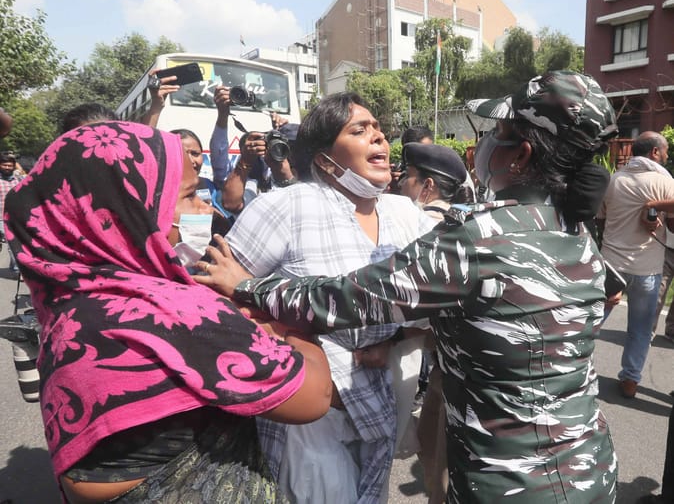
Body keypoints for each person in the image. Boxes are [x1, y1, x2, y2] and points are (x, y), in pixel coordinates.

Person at [199, 71, 620, 503]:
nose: (379, 138)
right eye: (360, 130)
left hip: (517, 483)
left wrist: (250, 287)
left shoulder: (478, 240)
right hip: (589, 467)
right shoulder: (574, 230)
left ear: (520, 156)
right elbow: (606, 294)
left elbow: (349, 298)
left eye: (498, 132)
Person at [4, 121, 331, 503]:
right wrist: (282, 324)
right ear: (126, 213)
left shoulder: (69, 309)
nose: (205, 209)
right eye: (190, 197)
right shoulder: (172, 313)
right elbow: (314, 395)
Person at [218, 92, 436, 504]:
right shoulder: (286, 206)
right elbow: (219, 292)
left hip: (380, 403)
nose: (379, 138)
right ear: (325, 160)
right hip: (308, 420)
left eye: (378, 129)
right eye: (359, 130)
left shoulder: (405, 214)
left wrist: (395, 339)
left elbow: (443, 295)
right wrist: (292, 343)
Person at [397, 142, 474, 503]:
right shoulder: (464, 223)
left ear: (427, 186)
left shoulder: (422, 228)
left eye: (407, 177)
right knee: (434, 454)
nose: (401, 183)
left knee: (439, 468)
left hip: (443, 362)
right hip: (450, 363)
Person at [598, 131, 674, 398]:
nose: (666, 155)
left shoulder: (614, 180)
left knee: (592, 320)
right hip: (647, 269)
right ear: (654, 152)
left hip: (611, 265)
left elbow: (601, 218)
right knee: (641, 329)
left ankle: (573, 365)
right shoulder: (665, 181)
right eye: (665, 151)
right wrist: (654, 211)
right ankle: (630, 380)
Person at [0, 151, 24, 275]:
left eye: (10, 165)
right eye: (4, 165)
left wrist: (14, 159)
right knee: (10, 243)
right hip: (0, 217)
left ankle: (15, 268)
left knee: (13, 243)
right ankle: (15, 267)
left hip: (14, 217)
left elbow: (25, 174)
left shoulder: (18, 178)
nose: (7, 167)